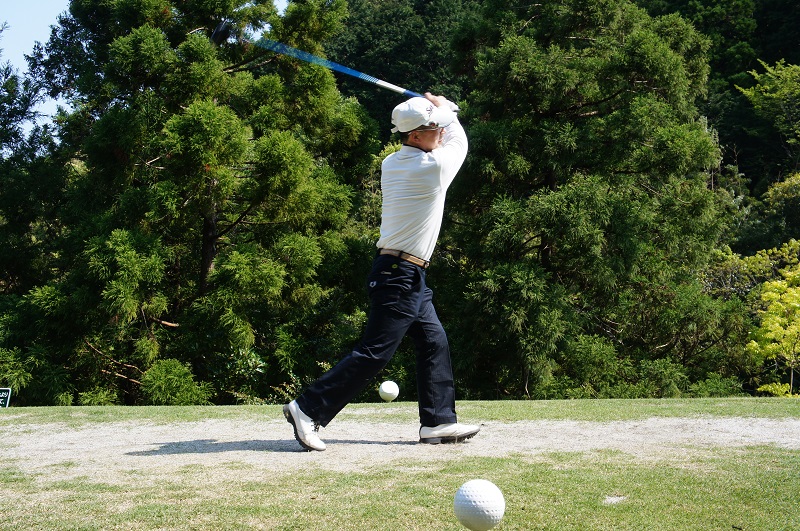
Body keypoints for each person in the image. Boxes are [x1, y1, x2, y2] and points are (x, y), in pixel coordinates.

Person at [283, 92, 478, 451]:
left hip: (405, 274)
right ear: (414, 135)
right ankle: (308, 408)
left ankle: (437, 421)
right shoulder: (432, 168)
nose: (439, 132)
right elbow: (459, 140)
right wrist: (445, 106)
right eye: (432, 128)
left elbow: (446, 133)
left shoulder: (393, 162)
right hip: (400, 274)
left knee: (433, 340)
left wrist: (435, 111)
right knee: (375, 352)